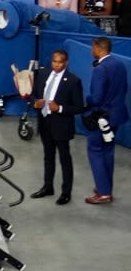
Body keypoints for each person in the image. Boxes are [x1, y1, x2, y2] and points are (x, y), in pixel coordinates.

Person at [29, 49, 84, 206]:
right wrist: (35, 102)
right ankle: (48, 187)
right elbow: (34, 94)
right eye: (54, 61)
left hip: (61, 125)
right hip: (45, 122)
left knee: (64, 159)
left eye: (60, 62)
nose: (57, 64)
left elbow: (79, 107)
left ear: (66, 63)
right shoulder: (43, 74)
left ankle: (66, 193)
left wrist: (59, 108)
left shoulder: (73, 81)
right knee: (48, 156)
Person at [85, 37, 128, 204]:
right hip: (117, 115)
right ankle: (105, 186)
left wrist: (87, 99)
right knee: (108, 151)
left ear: (98, 48)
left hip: (102, 117)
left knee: (95, 150)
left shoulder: (100, 69)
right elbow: (123, 89)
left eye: (92, 47)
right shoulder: (119, 64)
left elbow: (96, 98)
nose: (91, 51)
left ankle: (103, 193)